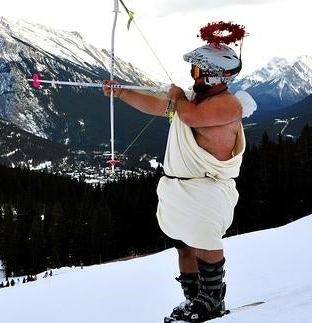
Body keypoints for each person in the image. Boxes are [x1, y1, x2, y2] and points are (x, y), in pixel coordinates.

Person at [102, 26, 251, 322]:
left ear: (213, 75)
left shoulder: (227, 106)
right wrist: (121, 93)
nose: (192, 74)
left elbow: (189, 116)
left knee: (206, 242)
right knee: (184, 245)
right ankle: (193, 299)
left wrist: (176, 97)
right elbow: (158, 106)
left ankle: (211, 299)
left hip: (207, 190)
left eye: (197, 69)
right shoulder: (191, 101)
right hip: (179, 189)